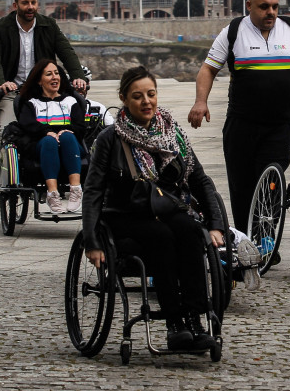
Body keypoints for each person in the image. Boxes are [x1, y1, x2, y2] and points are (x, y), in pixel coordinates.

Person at [83, 66, 225, 351]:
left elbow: (200, 180)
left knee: (189, 231)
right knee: (161, 236)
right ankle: (175, 323)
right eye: (138, 96)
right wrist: (92, 240)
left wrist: (215, 224)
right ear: (124, 98)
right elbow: (93, 191)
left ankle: (195, 319)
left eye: (151, 94)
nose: (146, 101)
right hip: (125, 216)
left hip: (167, 209)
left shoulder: (173, 135)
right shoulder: (109, 139)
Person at [187, 0, 290, 240]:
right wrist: (200, 102)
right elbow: (208, 69)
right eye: (264, 7)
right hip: (241, 125)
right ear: (249, 6)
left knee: (272, 179)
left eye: (275, 6)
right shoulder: (234, 31)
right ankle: (246, 241)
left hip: (281, 125)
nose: (271, 12)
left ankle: (266, 237)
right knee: (242, 187)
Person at [0, 0, 87, 143]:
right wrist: (1, 82)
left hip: (42, 92)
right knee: (9, 134)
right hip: (12, 93)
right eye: (25, 3)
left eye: (33, 2)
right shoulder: (1, 27)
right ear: (15, 6)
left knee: (57, 131)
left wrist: (78, 76)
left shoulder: (49, 25)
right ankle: (10, 167)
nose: (30, 7)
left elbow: (66, 52)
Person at [17, 59, 86, 213]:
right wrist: (46, 131)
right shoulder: (32, 103)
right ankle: (52, 193)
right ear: (40, 81)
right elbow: (26, 124)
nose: (55, 77)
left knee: (67, 137)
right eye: (49, 74)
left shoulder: (71, 101)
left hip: (70, 144)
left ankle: (76, 190)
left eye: (56, 73)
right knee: (49, 141)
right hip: (41, 145)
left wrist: (66, 129)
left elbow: (80, 125)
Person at [75, 65, 115, 146]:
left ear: (88, 84)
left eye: (84, 82)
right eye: (76, 83)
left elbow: (113, 131)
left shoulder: (99, 107)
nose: (80, 86)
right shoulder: (63, 106)